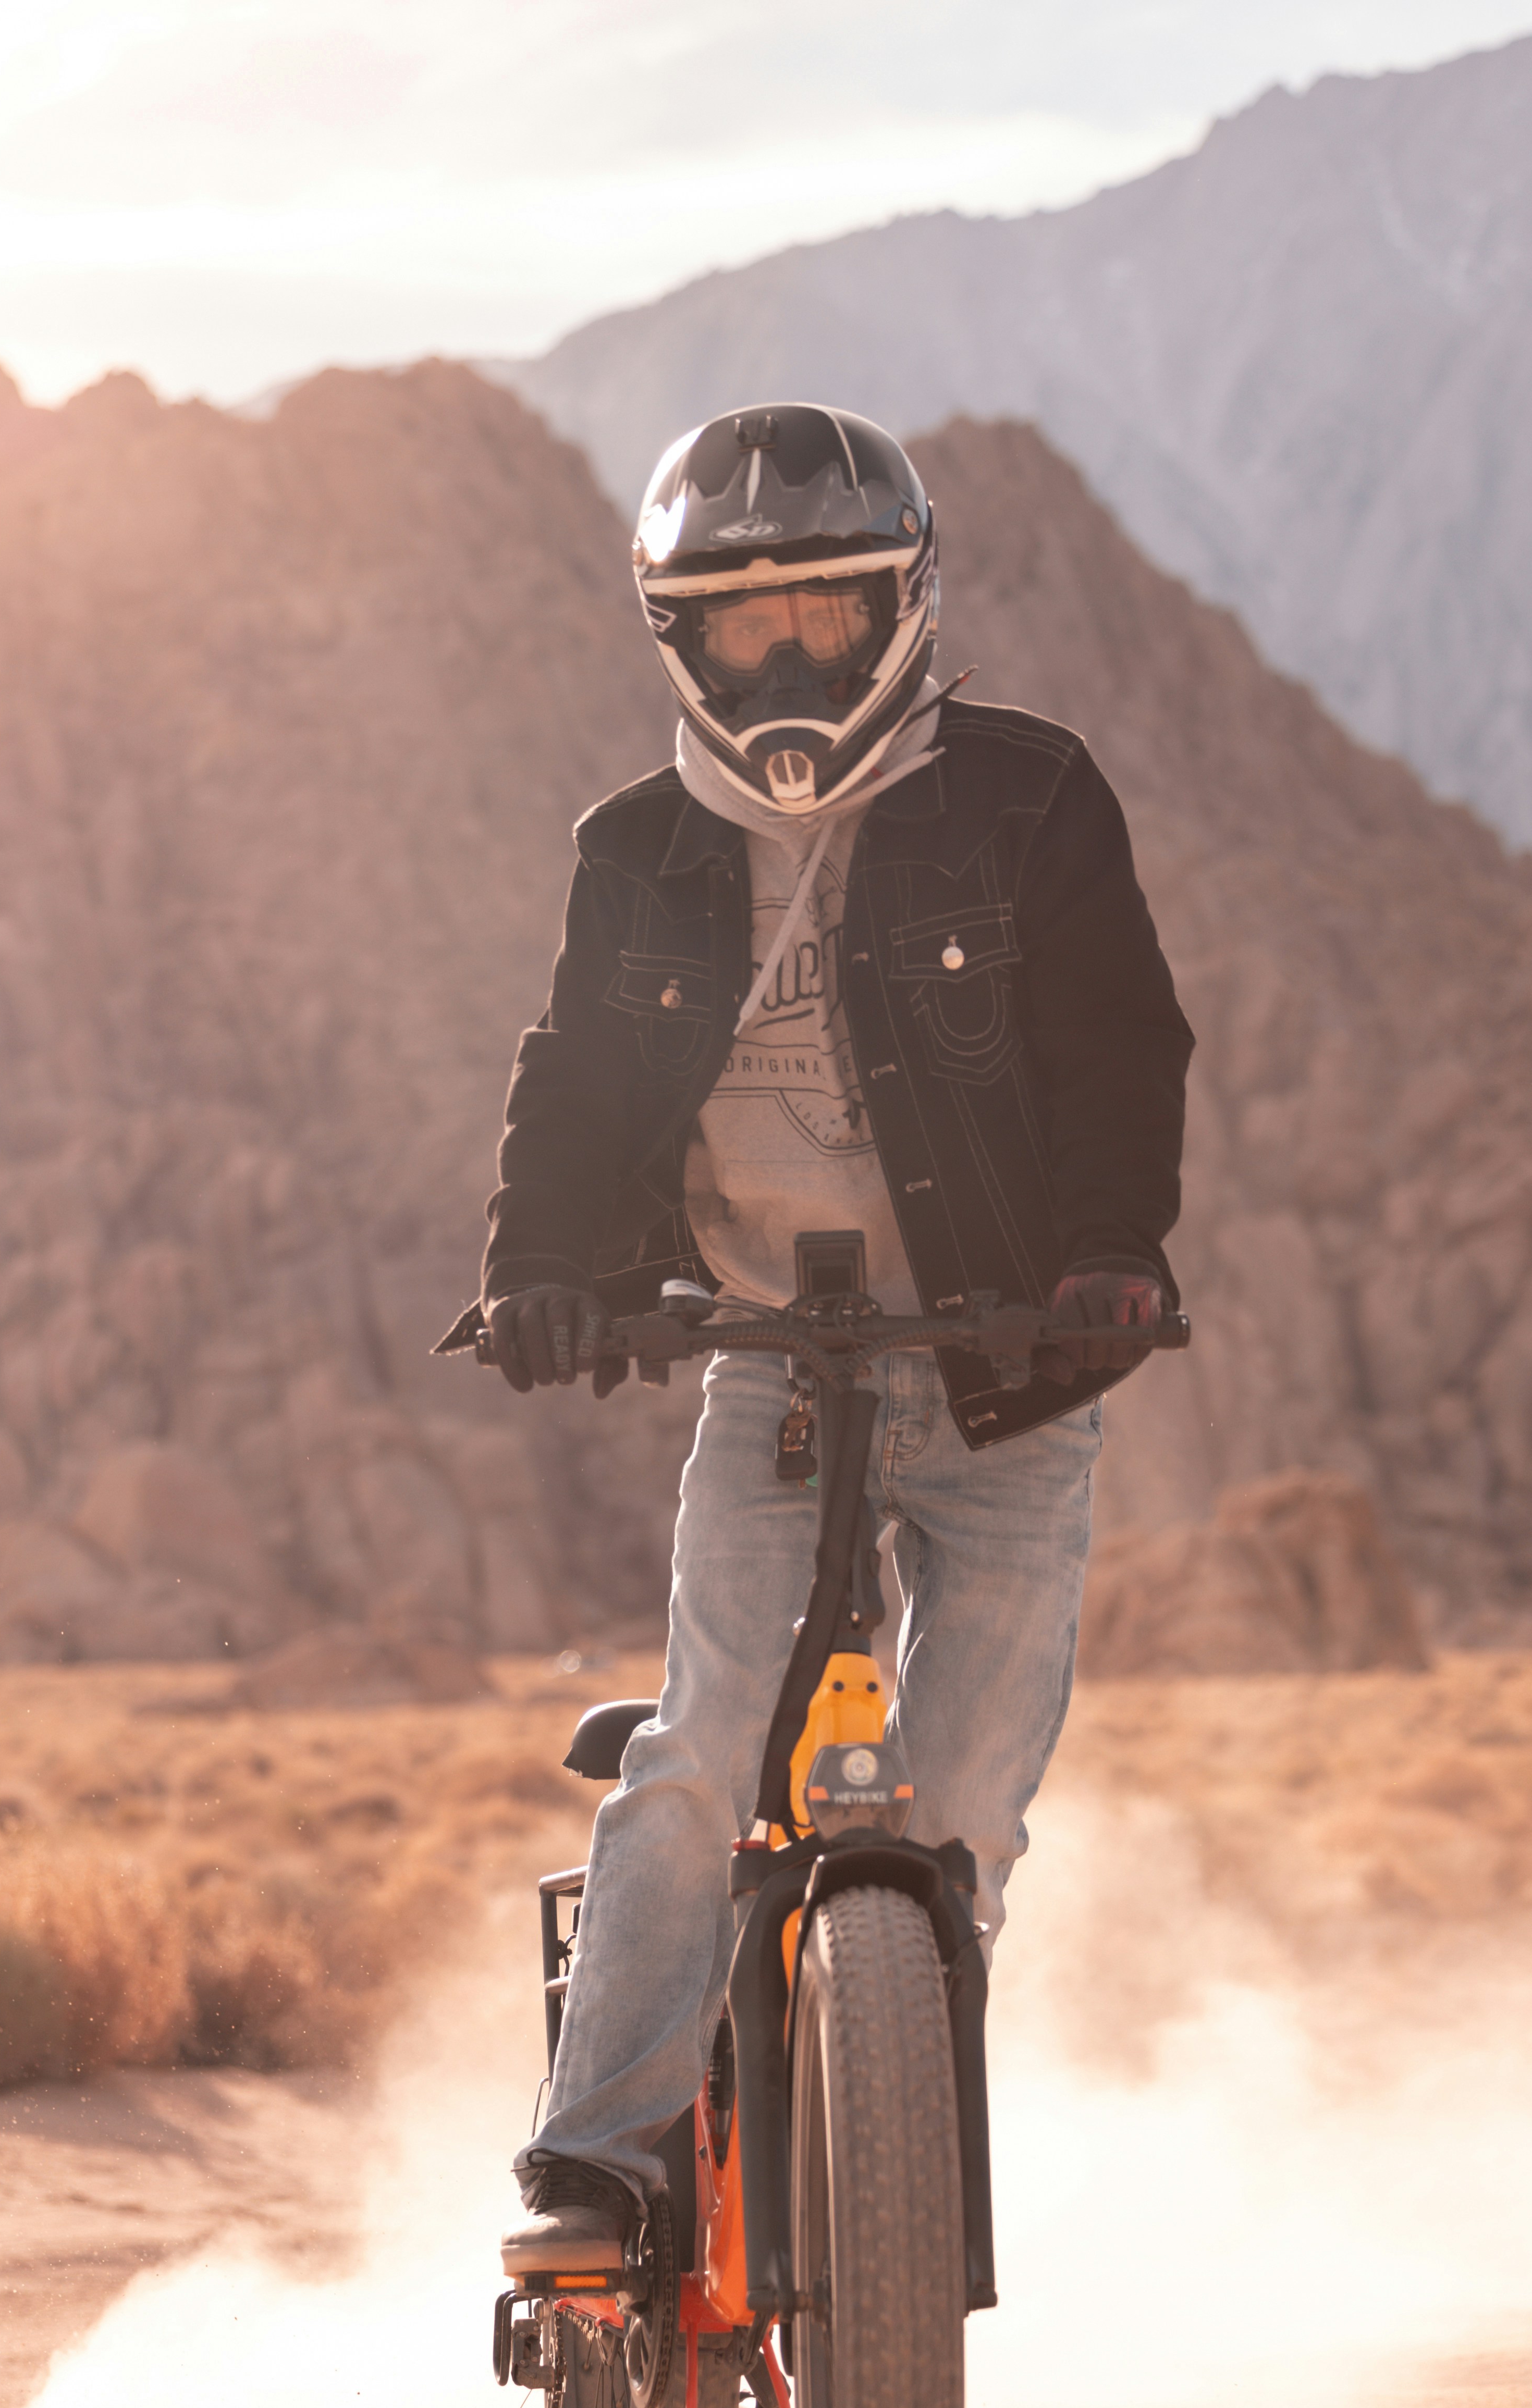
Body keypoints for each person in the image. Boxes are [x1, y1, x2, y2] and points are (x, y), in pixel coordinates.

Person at [444, 402, 1195, 2274]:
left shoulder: (1027, 798)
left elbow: (1120, 1050)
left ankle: (889, 2208)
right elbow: (579, 1087)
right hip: (773, 1358)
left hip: (1010, 1367)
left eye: (828, 617)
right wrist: (547, 1270)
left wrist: (1113, 1253)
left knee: (963, 1831)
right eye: (741, 626)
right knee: (698, 1756)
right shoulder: (639, 851)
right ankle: (601, 2172)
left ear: (908, 608)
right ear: (678, 640)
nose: (787, 656)